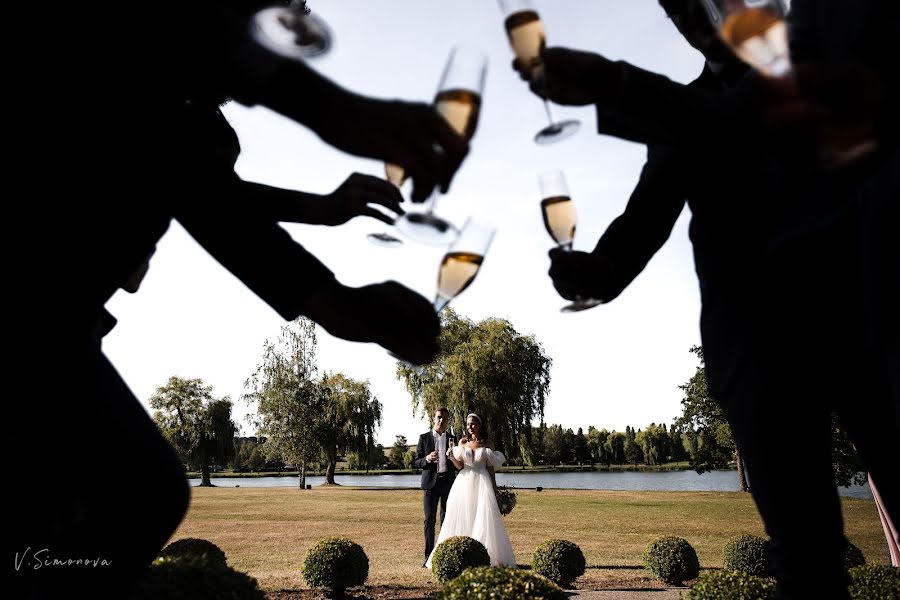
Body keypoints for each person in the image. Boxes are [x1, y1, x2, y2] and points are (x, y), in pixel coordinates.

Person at [517, 1, 897, 597]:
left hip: (869, 321)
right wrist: (597, 270)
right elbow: (643, 221)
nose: (692, 13)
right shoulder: (683, 106)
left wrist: (615, 84)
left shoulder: (824, 46)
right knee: (803, 559)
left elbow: (751, 116)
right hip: (754, 351)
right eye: (675, 6)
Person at [424, 413, 516, 569]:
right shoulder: (462, 442)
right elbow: (459, 466)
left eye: (473, 424)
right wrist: (452, 457)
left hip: (482, 482)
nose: (470, 427)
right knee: (462, 515)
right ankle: (458, 556)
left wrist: (494, 489)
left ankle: (486, 556)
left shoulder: (488, 443)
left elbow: (491, 469)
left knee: (483, 517)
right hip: (463, 482)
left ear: (480, 425)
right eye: (467, 424)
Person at [414, 407, 458, 565]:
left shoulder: (453, 439)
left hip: (447, 483)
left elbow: (457, 463)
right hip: (430, 485)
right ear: (433, 418)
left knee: (446, 520)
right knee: (429, 521)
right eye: (439, 417)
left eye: (445, 418)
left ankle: (444, 555)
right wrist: (426, 458)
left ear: (448, 421)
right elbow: (416, 462)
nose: (441, 420)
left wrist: (453, 457)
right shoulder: (424, 438)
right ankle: (428, 558)